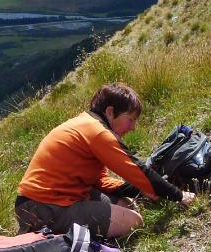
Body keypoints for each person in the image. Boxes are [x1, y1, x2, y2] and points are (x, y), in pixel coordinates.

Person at [15, 82, 195, 238]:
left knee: (128, 206)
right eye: (130, 119)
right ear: (110, 112)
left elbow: (100, 181)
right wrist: (178, 195)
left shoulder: (86, 123)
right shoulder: (98, 132)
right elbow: (137, 169)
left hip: (51, 199)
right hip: (43, 207)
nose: (133, 127)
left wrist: (142, 189)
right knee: (133, 221)